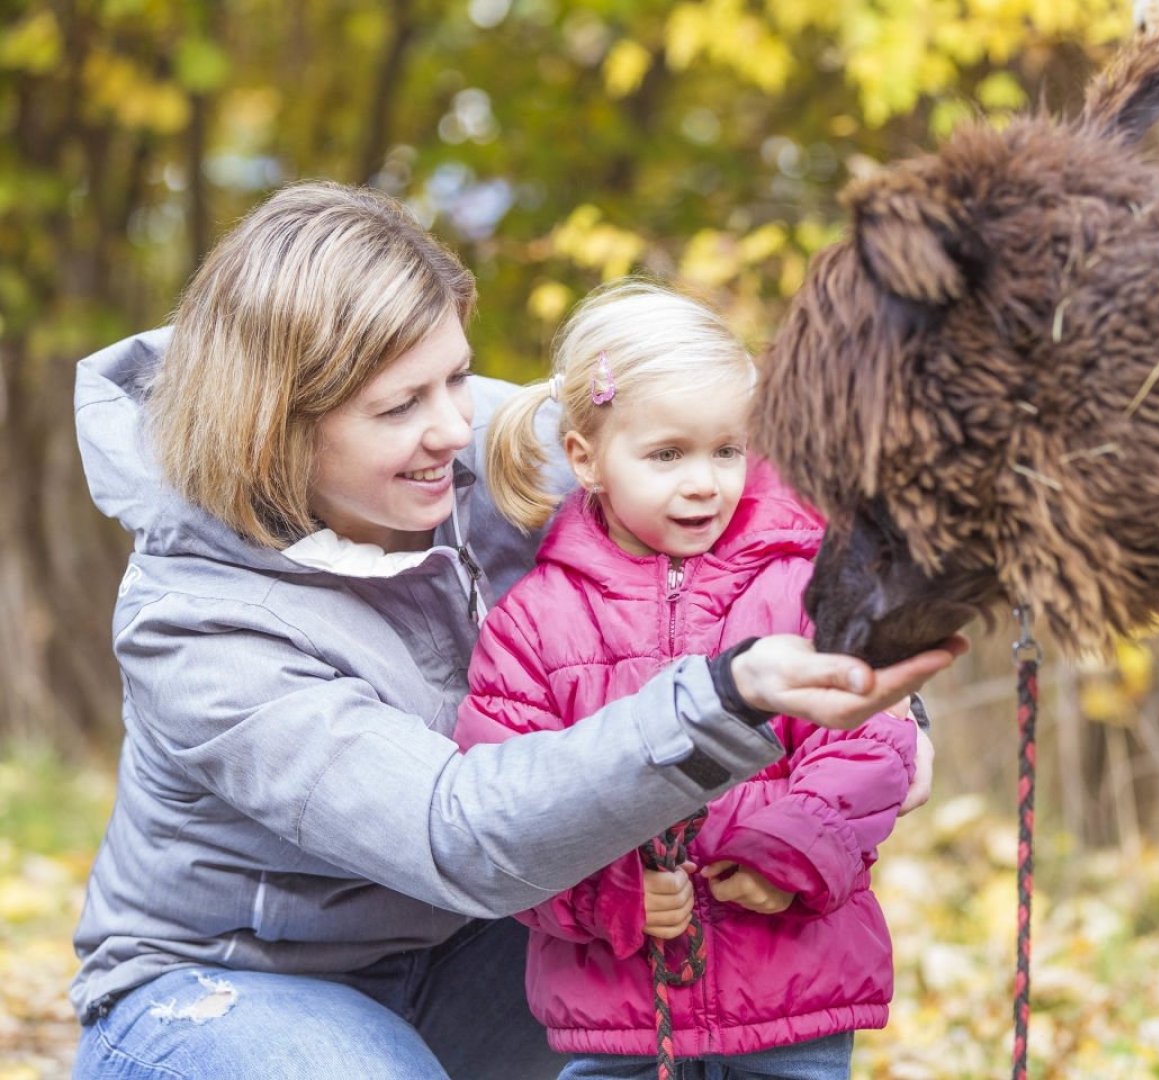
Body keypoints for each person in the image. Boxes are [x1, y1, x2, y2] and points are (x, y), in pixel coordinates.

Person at [69, 181, 962, 1079]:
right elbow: (455, 833)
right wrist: (724, 700)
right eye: (399, 407)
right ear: (275, 424)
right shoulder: (195, 625)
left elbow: (747, 518)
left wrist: (877, 700)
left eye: (455, 376)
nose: (455, 426)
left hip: (485, 948)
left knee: (707, 1007)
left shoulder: (494, 452)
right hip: (236, 989)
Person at [453, 281, 917, 1078]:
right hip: (621, 1017)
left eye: (726, 450)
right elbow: (505, 804)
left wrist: (796, 849)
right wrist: (608, 895)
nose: (704, 481)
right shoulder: (534, 622)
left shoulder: (804, 583)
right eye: (667, 454)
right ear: (585, 458)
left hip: (791, 999)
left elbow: (870, 740)